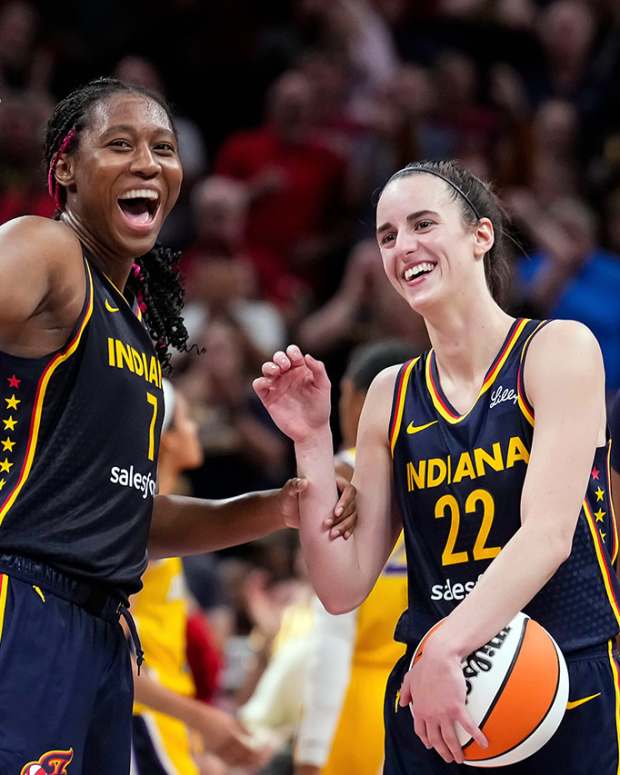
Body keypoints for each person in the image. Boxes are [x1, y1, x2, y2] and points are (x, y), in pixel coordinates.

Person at [0, 76, 355, 773]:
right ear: (65, 168)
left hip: (100, 627)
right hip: (25, 603)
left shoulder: (132, 328)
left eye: (163, 147)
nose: (147, 162)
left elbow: (130, 514)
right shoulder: (45, 250)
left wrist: (276, 506)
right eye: (120, 144)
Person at [254, 159, 620, 774]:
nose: (404, 247)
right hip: (431, 696)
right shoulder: (389, 394)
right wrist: (312, 439)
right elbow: (342, 587)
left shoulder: (558, 349)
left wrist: (446, 645)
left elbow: (548, 536)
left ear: (480, 236)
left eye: (423, 223)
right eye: (387, 235)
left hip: (554, 671)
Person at [131, 380, 265, 773]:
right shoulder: (140, 523)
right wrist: (204, 719)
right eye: (186, 420)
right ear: (166, 440)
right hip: (141, 721)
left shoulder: (159, 515)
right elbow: (113, 654)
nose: (194, 429)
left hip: (164, 722)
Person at [294, 340, 412, 775]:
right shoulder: (438, 473)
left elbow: (332, 633)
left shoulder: (340, 476)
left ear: (357, 398)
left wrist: (311, 749)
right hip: (427, 699)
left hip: (354, 707)